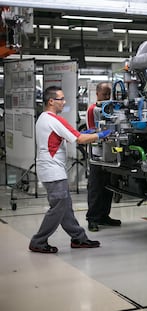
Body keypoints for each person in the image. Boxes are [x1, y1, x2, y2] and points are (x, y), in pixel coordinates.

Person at [29, 86, 111, 254]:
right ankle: (38, 241)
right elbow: (79, 139)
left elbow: (65, 137)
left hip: (50, 169)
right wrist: (103, 134)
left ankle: (79, 238)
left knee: (65, 207)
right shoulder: (54, 119)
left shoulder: (43, 118)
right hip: (53, 171)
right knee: (58, 207)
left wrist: (89, 133)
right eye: (61, 99)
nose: (64, 102)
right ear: (51, 101)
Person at [86, 82, 121, 232]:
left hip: (111, 153)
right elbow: (91, 130)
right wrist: (101, 135)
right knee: (96, 188)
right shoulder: (93, 109)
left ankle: (104, 216)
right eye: (104, 94)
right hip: (97, 154)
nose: (107, 97)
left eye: (109, 94)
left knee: (108, 187)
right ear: (97, 94)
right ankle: (92, 219)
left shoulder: (112, 108)